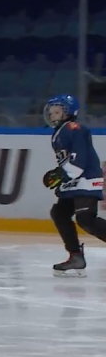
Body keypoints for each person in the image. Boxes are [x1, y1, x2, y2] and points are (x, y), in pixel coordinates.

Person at [42, 94, 106, 277]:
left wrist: (62, 175)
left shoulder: (74, 129)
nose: (52, 115)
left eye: (57, 112)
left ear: (68, 112)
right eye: (51, 112)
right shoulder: (61, 131)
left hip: (85, 179)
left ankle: (76, 256)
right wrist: (61, 174)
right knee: (59, 213)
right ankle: (76, 256)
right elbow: (69, 161)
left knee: (85, 218)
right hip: (74, 181)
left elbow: (79, 160)